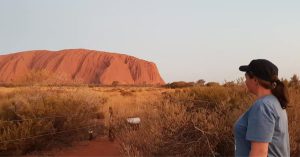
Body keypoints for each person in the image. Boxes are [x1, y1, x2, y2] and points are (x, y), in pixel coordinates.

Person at [234, 59, 290, 157]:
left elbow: (259, 153)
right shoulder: (275, 102)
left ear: (255, 80)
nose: (245, 81)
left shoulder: (263, 106)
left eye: (246, 77)